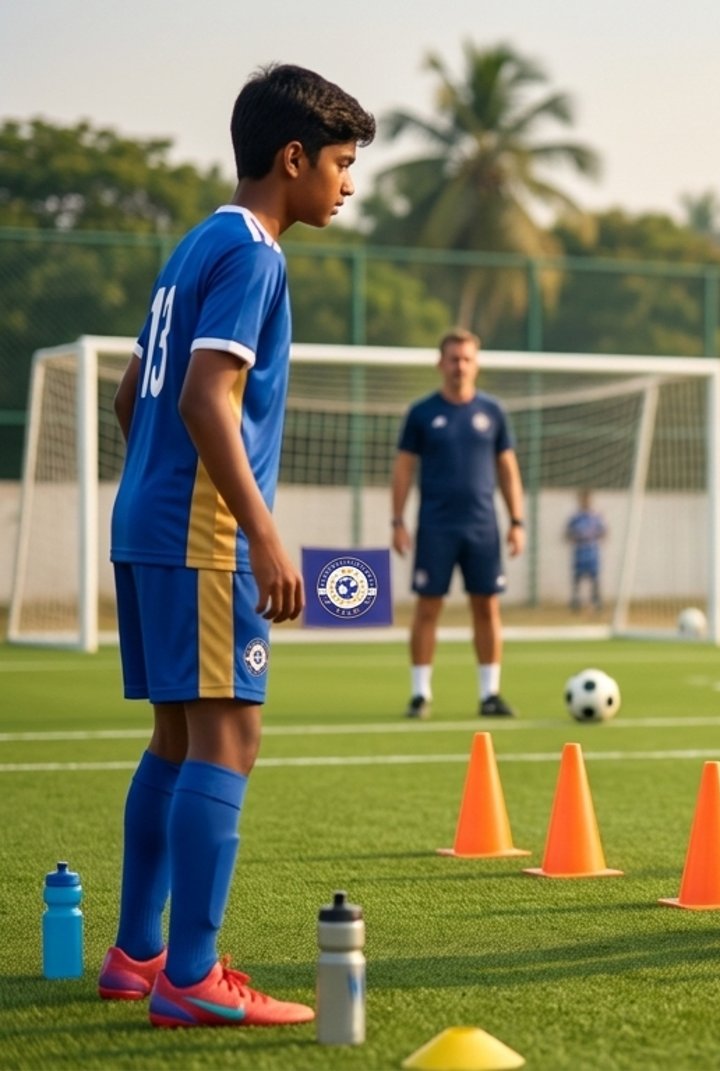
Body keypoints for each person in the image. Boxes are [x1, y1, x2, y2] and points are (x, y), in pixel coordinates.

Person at [101, 64, 373, 1028]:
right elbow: (202, 395)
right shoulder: (256, 253)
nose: (348, 183)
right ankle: (194, 973)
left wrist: (156, 488)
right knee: (230, 735)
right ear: (291, 158)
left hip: (145, 523)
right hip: (201, 533)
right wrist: (263, 534)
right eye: (341, 163)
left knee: (176, 738)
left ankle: (138, 953)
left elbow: (131, 392)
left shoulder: (194, 244)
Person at [391, 329, 526, 719]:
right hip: (435, 526)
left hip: (483, 527)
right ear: (440, 363)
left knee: (487, 606)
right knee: (428, 607)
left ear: (476, 363)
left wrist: (516, 520)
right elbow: (403, 469)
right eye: (453, 359)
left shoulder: (493, 412)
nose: (460, 366)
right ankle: (420, 694)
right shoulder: (421, 413)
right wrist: (397, 521)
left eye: (467, 359)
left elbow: (507, 469)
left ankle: (490, 694)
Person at [565, 489, 608, 613]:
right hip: (580, 549)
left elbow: (604, 531)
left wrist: (595, 538)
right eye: (583, 499)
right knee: (577, 577)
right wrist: (575, 537)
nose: (585, 501)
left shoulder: (596, 516)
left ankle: (596, 601)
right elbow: (567, 533)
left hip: (592, 549)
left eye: (587, 499)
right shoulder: (575, 517)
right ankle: (576, 601)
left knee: (594, 577)